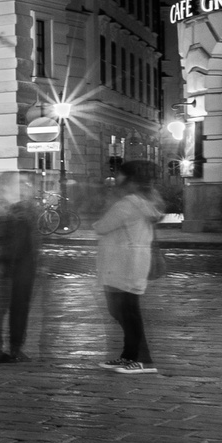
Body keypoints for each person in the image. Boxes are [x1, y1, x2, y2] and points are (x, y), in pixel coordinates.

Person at [95, 158, 164, 374]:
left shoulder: (127, 204)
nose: (116, 178)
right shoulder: (144, 202)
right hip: (131, 263)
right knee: (126, 311)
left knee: (125, 312)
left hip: (121, 264)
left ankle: (140, 359)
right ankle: (129, 356)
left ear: (128, 178)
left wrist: (105, 207)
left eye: (119, 174)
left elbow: (101, 226)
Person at [0, 170, 42, 362]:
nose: (26, 186)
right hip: (2, 267)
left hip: (25, 266)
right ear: (6, 186)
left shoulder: (25, 207)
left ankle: (16, 349)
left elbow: (32, 238)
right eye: (21, 183)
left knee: (20, 308)